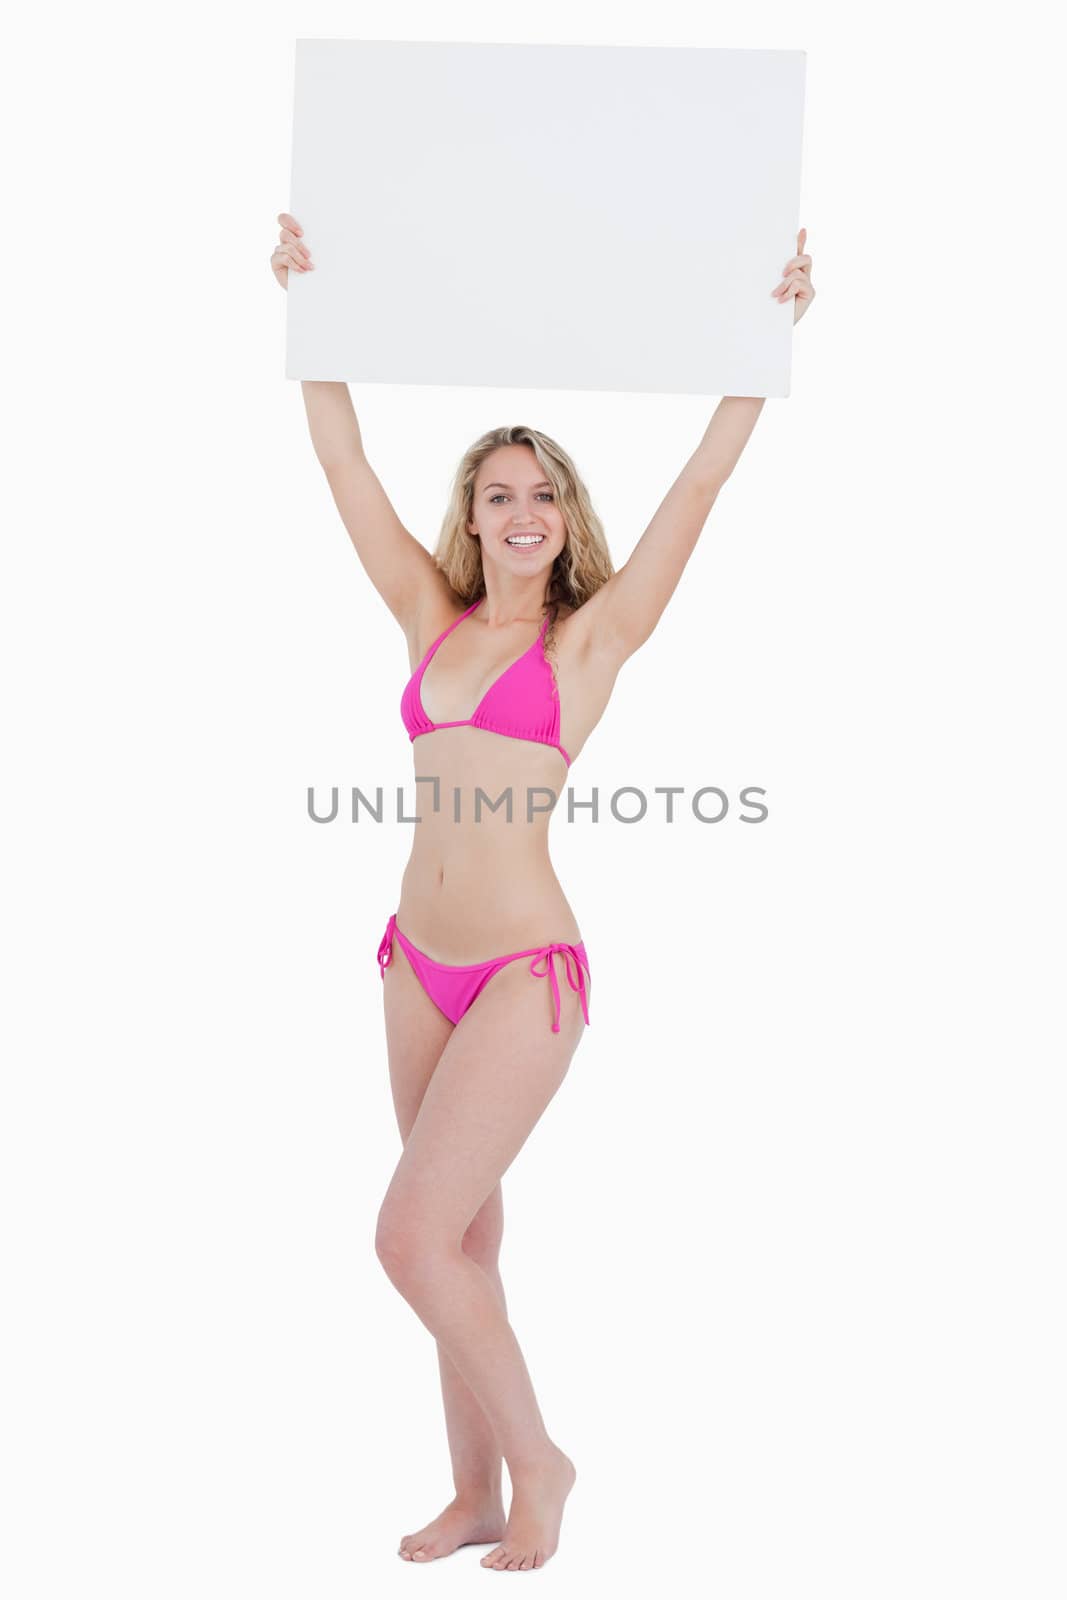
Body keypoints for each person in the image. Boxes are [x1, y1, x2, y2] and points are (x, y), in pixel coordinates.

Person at [272, 211, 815, 1571]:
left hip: (522, 971)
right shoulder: (426, 616)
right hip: (414, 961)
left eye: (545, 492)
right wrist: (309, 310)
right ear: (472, 512)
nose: (523, 512)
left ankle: (543, 1461)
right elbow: (339, 458)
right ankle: (475, 1495)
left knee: (407, 1237)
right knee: (461, 1237)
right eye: (500, 491)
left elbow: (696, 493)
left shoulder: (594, 640)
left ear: (568, 519)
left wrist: (765, 341)